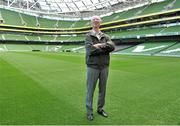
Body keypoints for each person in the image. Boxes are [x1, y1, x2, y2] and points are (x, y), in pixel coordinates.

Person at [85, 15, 115, 121]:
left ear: (100, 22)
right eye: (93, 20)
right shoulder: (88, 36)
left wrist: (98, 45)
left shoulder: (105, 36)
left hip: (104, 67)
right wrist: (104, 46)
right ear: (91, 22)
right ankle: (89, 112)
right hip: (92, 67)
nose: (95, 21)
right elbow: (90, 51)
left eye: (97, 19)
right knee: (90, 90)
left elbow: (112, 47)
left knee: (103, 90)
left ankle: (100, 109)